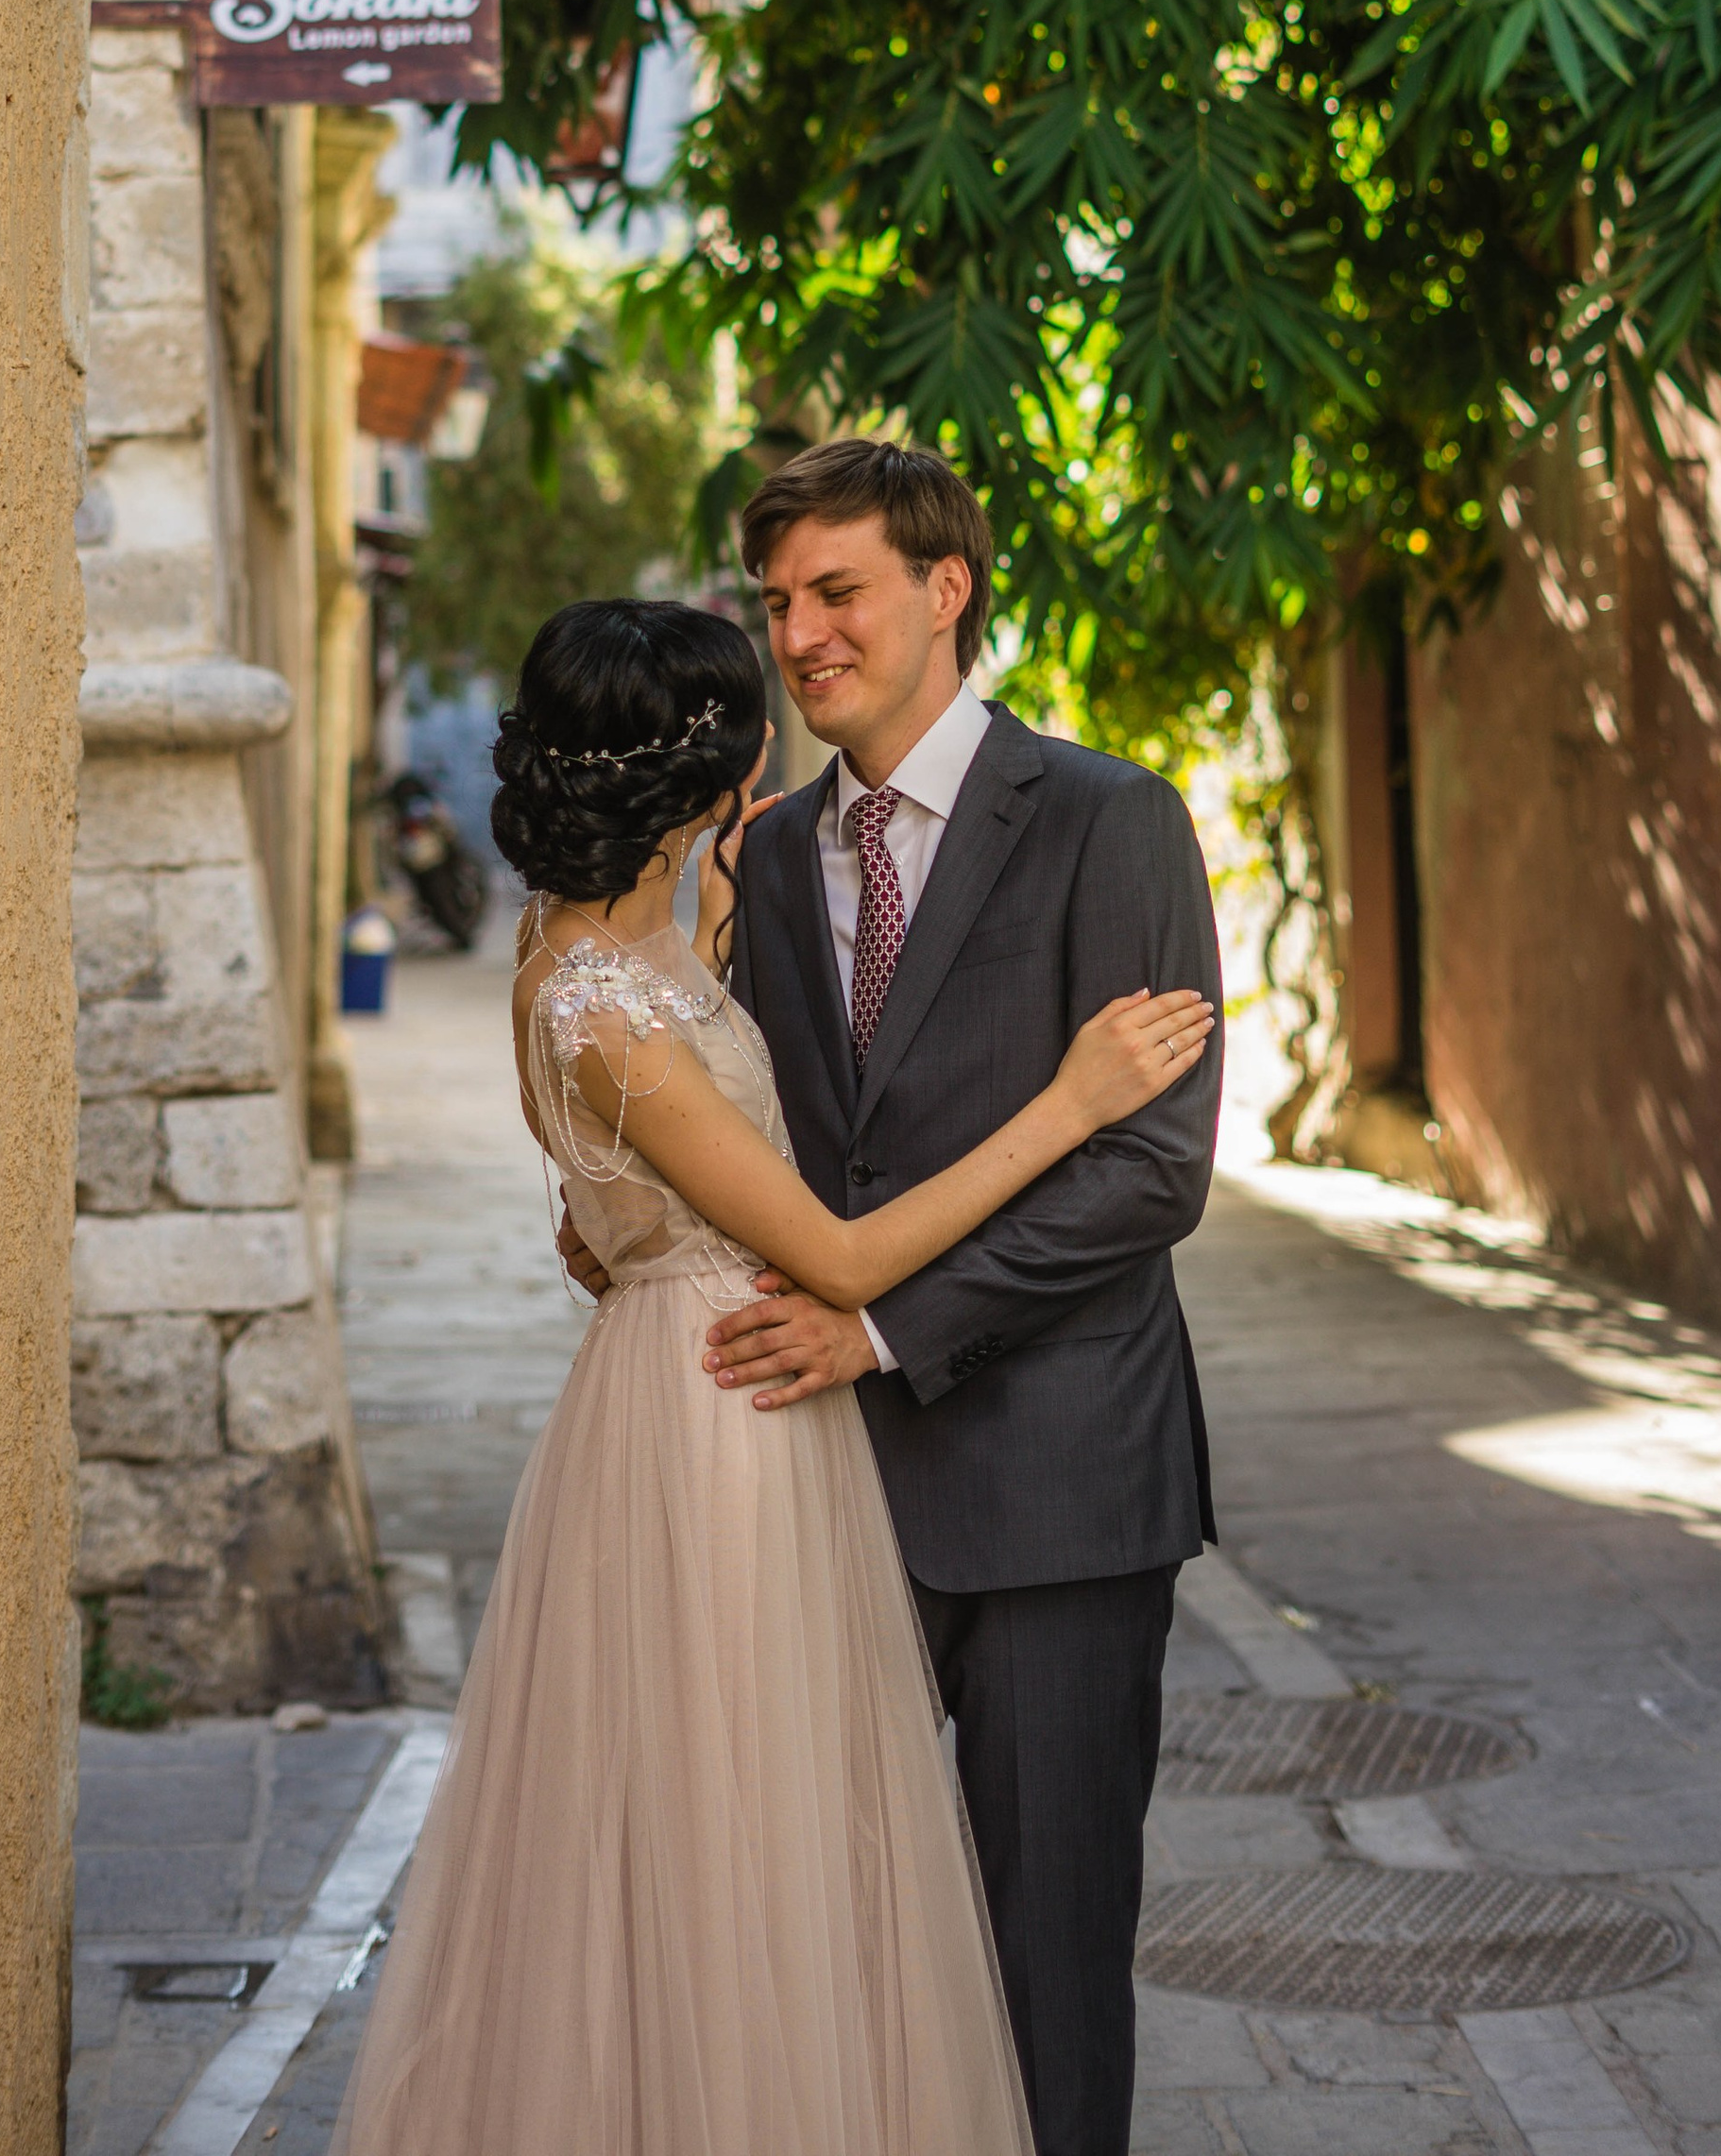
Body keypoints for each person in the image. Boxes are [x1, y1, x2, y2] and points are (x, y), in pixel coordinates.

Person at [329, 593, 1215, 2156]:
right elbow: (846, 1257)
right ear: (713, 776)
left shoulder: (608, 943)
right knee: (745, 1842)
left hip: (703, 1368)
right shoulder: (606, 995)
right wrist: (1076, 1097)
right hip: (732, 1399)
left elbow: (619, 1184)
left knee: (729, 1839)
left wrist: (616, 1220)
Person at [692, 439, 1223, 2156]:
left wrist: (883, 1326)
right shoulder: (772, 864)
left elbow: (1150, 1173)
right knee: (843, 1943)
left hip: (1059, 1483)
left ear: (947, 587)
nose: (801, 635)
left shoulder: (1108, 818)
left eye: (836, 592)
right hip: (826, 1486)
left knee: (1047, 1953)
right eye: (779, 602)